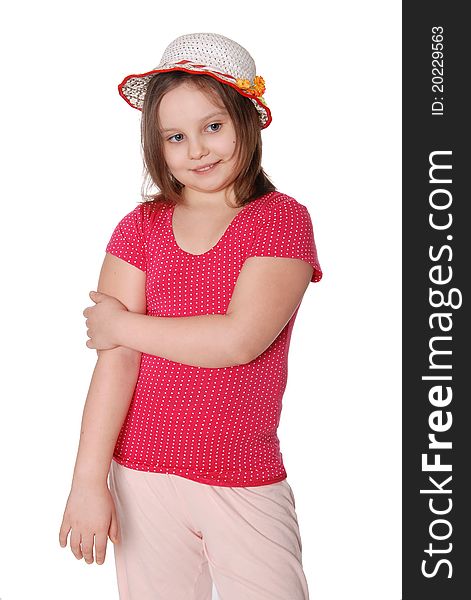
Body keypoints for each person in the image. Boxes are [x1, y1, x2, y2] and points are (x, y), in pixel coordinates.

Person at [59, 32, 323, 600]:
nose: (197, 150)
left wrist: (120, 324)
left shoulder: (280, 221)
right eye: (175, 137)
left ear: (247, 121)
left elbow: (239, 340)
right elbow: (115, 363)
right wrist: (88, 479)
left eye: (213, 127)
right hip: (141, 473)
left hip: (242, 474)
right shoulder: (140, 228)